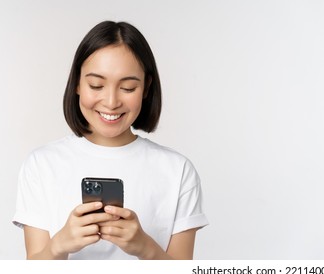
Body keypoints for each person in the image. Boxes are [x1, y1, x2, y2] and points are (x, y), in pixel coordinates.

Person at [12, 21, 208, 260]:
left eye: (127, 88)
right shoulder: (41, 165)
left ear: (146, 88)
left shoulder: (178, 171)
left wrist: (145, 247)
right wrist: (59, 245)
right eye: (96, 85)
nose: (111, 101)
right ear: (77, 83)